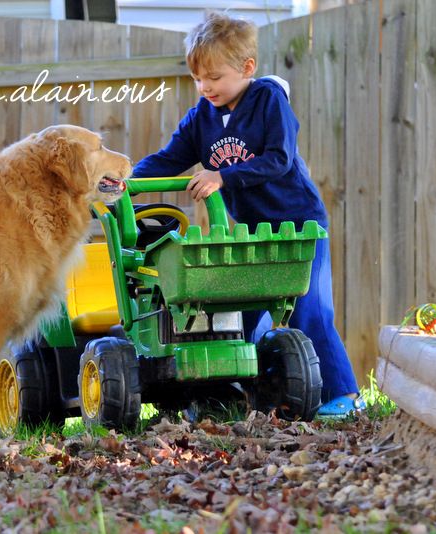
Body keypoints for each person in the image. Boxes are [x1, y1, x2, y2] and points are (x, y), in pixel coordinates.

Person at [131, 12, 362, 417]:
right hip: (254, 235)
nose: (205, 87)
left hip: (300, 226)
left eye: (215, 77)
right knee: (239, 313)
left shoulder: (268, 101)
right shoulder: (201, 118)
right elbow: (168, 160)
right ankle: (238, 393)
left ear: (247, 68)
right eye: (198, 78)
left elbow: (279, 159)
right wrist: (125, 183)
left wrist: (222, 177)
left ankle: (343, 394)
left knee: (310, 310)